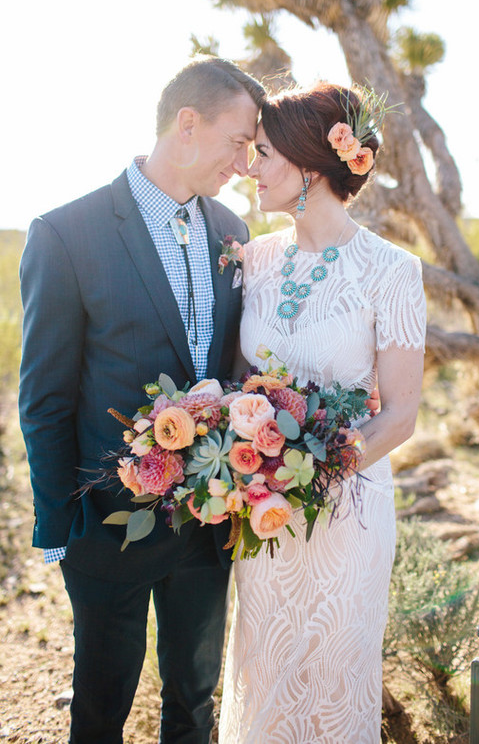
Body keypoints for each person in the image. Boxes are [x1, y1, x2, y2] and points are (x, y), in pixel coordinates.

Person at [18, 55, 265, 744]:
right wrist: (60, 526)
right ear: (187, 124)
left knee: (194, 704)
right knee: (100, 708)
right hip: (105, 526)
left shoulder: (233, 232)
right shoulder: (66, 234)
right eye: (239, 141)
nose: (246, 162)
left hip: (206, 524)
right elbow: (42, 396)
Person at [219, 82, 427, 743]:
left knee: (334, 684)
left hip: (347, 517)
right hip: (265, 516)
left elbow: (400, 414)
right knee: (266, 670)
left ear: (311, 165)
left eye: (265, 154)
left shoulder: (392, 271)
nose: (251, 168)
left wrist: (313, 472)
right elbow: (234, 378)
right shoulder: (252, 260)